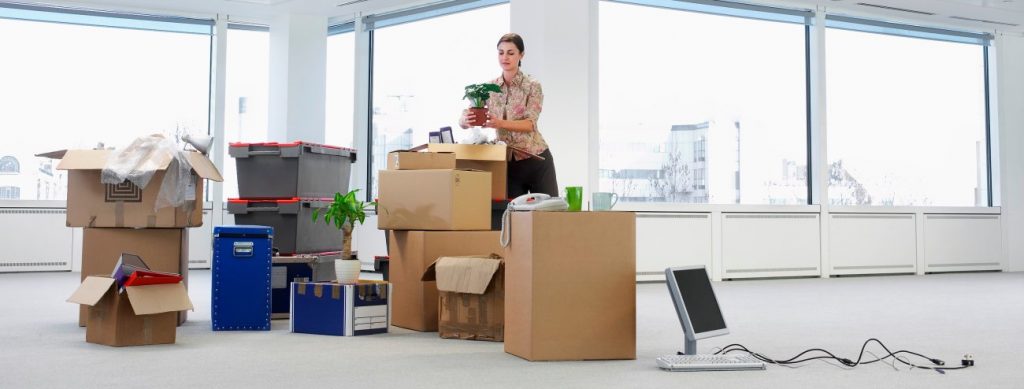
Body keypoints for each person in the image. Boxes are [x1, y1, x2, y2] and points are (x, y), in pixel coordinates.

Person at [459, 33, 558, 199]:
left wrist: (499, 123)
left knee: (546, 216)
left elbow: (530, 124)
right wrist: (464, 120)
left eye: (511, 53)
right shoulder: (490, 87)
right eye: (501, 52)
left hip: (536, 159)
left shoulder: (532, 86)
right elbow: (469, 114)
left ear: (521, 55)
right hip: (508, 163)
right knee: (512, 218)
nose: (505, 57)